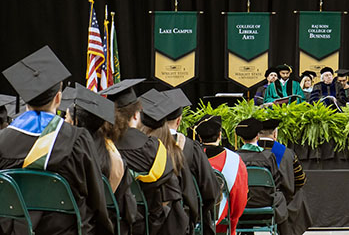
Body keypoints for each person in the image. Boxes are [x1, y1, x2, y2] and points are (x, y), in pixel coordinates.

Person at [0, 46, 113, 234]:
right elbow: (96, 199)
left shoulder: (3, 142)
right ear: (58, 99)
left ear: (25, 100)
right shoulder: (77, 140)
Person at [68, 85, 141, 235]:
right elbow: (126, 207)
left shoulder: (64, 155)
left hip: (70, 225)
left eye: (66, 117)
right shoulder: (115, 158)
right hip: (106, 226)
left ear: (75, 121)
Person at [138, 89, 200, 234]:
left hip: (137, 218)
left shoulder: (128, 151)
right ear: (179, 121)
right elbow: (205, 188)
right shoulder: (185, 149)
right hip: (173, 221)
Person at [163, 88, 220, 235]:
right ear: (179, 120)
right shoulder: (190, 148)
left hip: (149, 215)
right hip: (184, 216)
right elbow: (209, 187)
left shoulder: (148, 146)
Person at [234, 118, 297, 235]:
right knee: (281, 197)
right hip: (266, 204)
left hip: (242, 206)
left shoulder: (235, 157)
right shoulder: (268, 156)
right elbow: (276, 183)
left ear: (241, 138)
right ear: (257, 136)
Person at [192, 115, 248, 235]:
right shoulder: (234, 159)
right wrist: (233, 221)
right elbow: (240, 197)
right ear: (220, 135)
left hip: (193, 216)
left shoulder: (188, 157)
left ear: (200, 138)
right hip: (221, 217)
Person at [257, 119, 311, 235]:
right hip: (279, 204)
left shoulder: (246, 154)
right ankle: (288, 230)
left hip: (250, 202)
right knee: (299, 193)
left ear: (257, 134)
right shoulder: (287, 153)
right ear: (275, 134)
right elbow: (300, 180)